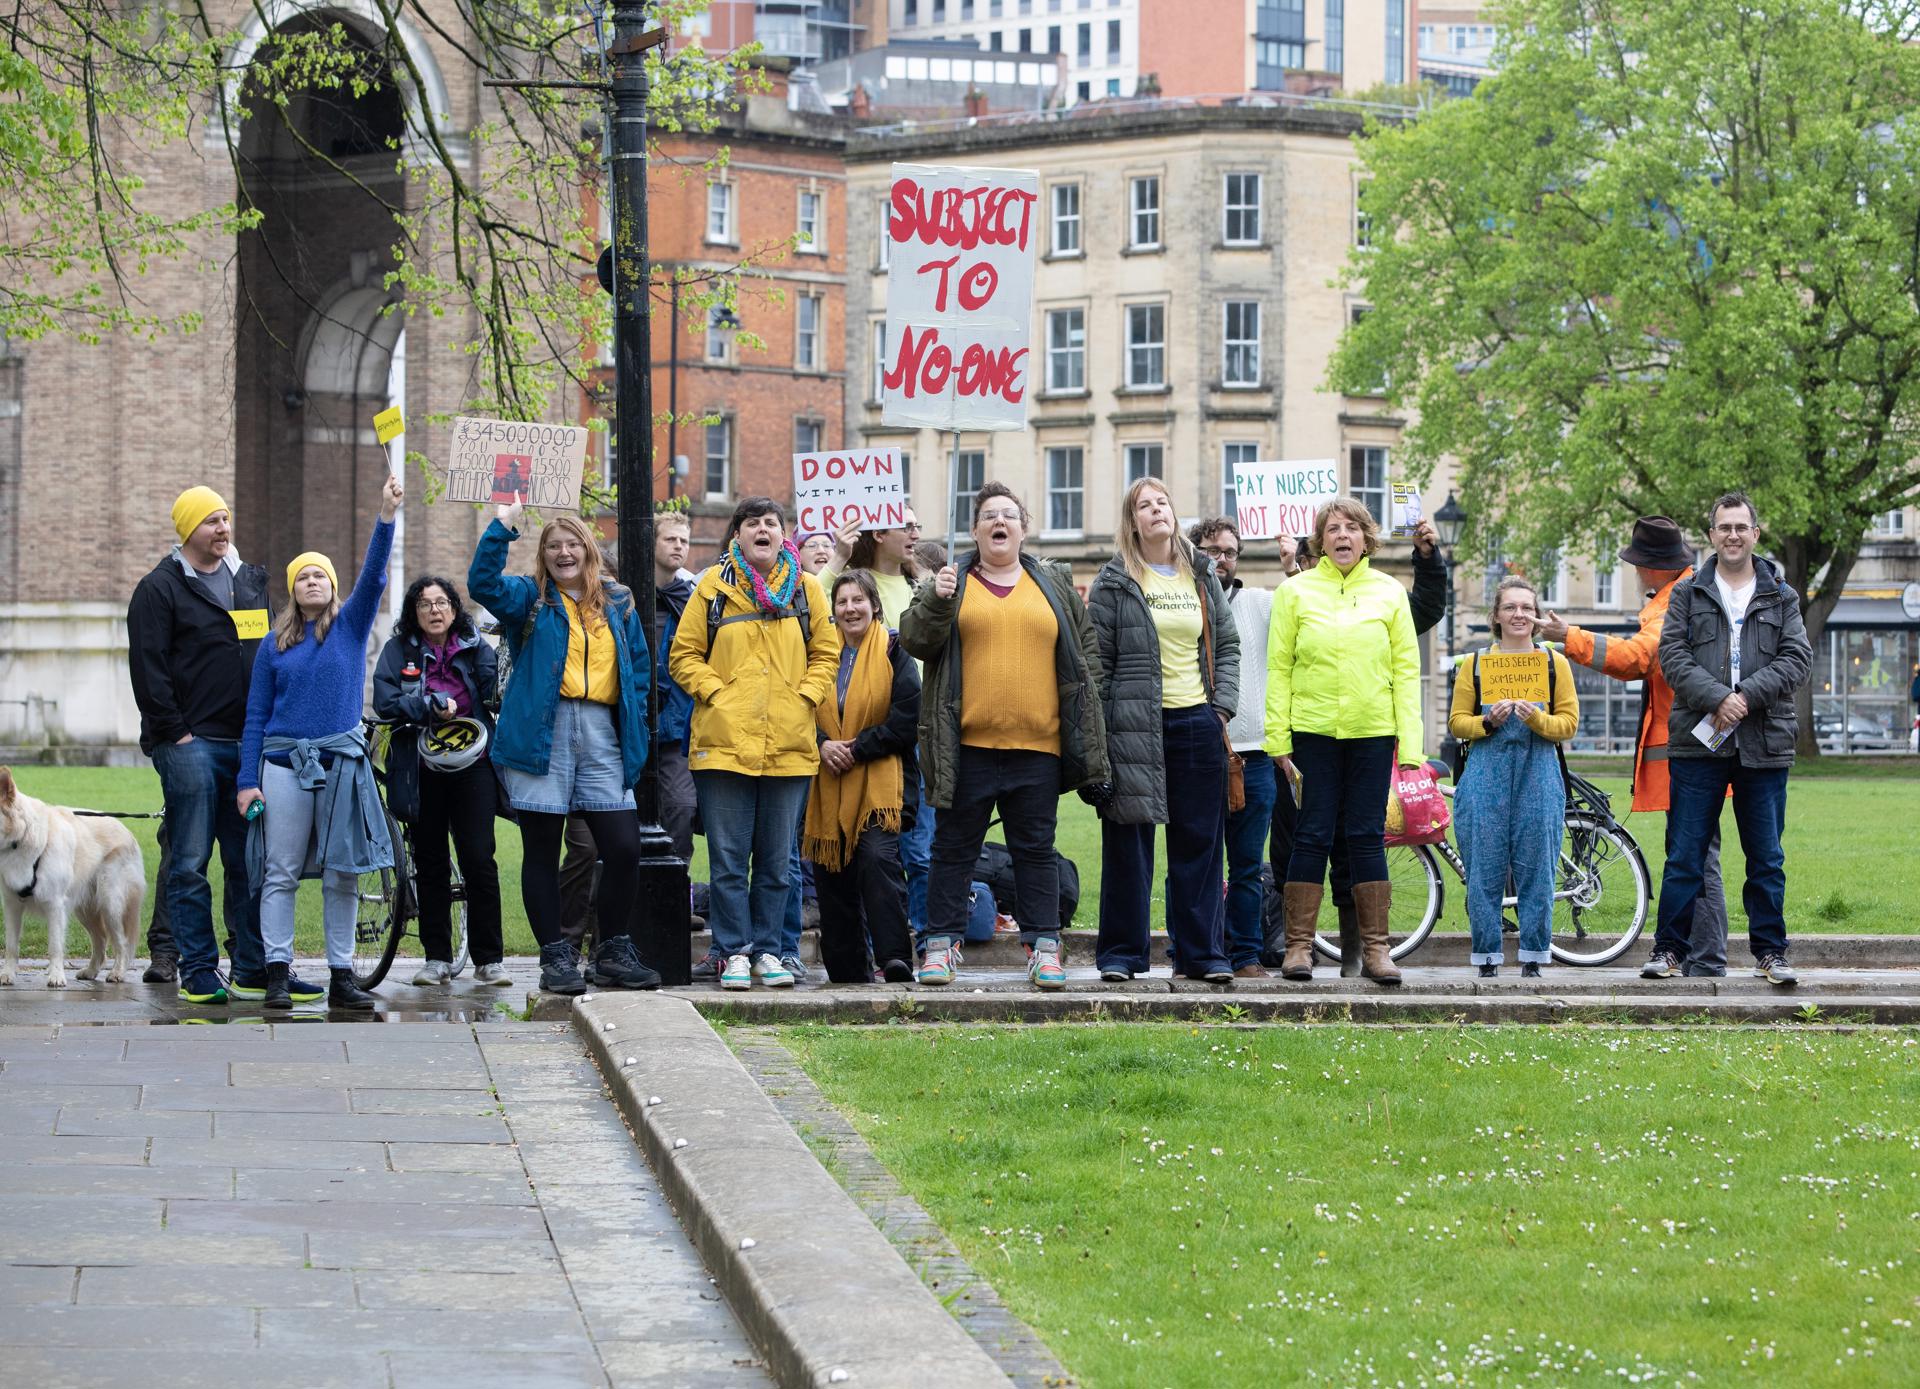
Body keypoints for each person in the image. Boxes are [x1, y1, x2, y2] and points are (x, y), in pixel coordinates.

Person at [898, 482, 1110, 990]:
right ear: (974, 531)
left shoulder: (1053, 582)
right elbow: (915, 640)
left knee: (1036, 850)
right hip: (966, 746)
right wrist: (935, 599)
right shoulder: (953, 582)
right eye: (989, 515)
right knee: (953, 849)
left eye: (1009, 515)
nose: (999, 522)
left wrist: (1088, 706)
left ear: (1023, 527)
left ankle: (1043, 948)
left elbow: (1086, 654)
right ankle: (940, 946)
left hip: (1038, 747)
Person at [469, 497, 661, 997]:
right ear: (544, 555)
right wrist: (501, 525)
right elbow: (482, 585)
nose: (563, 552)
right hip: (543, 733)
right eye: (553, 546)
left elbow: (638, 669)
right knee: (541, 848)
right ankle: (556, 958)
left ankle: (613, 950)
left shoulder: (617, 601)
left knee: (623, 845)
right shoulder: (528, 597)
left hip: (601, 730)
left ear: (588, 549)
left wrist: (634, 719)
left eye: (572, 543)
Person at [1535, 515, 1731, 976]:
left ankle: (1704, 960)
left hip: (1688, 752)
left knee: (1695, 856)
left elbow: (1637, 658)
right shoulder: (1681, 593)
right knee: (1693, 853)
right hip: (1690, 748)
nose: (1634, 571)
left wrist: (1571, 638)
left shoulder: (1676, 603)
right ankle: (1694, 955)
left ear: (1652, 566)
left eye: (1637, 563)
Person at [237, 476, 403, 1011]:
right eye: (303, 576)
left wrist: (385, 514)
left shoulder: (351, 629)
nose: (312, 581)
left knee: (343, 874)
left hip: (341, 766)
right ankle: (279, 972)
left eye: (321, 575)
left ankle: (341, 976)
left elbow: (375, 574)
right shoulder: (272, 645)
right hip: (283, 768)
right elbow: (257, 716)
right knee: (279, 872)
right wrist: (246, 781)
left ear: (333, 587)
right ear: (293, 588)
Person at [670, 498, 839, 990]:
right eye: (752, 523)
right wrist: (718, 695)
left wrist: (804, 696)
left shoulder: (807, 589)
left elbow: (826, 652)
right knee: (727, 858)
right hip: (723, 745)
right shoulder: (712, 588)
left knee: (775, 860)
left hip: (789, 743)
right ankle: (732, 952)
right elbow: (683, 655)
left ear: (783, 535)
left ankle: (769, 950)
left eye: (771, 523)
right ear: (737, 536)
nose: (762, 529)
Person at [1265, 516, 1446, 975]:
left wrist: (1411, 747)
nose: (1342, 535)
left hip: (1373, 733)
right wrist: (1278, 739)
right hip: (1312, 733)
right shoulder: (1294, 593)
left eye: (1352, 528)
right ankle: (1299, 948)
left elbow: (1407, 670)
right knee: (1311, 834)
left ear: (1367, 539)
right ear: (1319, 542)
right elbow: (1279, 668)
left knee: (1367, 837)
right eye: (1332, 529)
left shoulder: (1388, 592)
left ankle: (1376, 951)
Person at [1650, 492, 1811, 986]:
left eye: (1742, 527)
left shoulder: (1781, 595)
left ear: (1755, 534)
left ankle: (1770, 952)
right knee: (1684, 855)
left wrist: (1745, 697)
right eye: (1725, 527)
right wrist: (1720, 698)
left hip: (1763, 743)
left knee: (1766, 857)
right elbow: (1672, 657)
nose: (1733, 535)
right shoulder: (1687, 593)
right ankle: (1668, 952)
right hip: (1700, 745)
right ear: (1712, 535)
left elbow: (1797, 659)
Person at [127, 486, 278, 1002]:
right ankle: (196, 969)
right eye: (212, 521)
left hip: (246, 744)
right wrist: (176, 732)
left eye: (225, 519)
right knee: (190, 860)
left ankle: (251, 966)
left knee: (246, 859)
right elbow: (148, 670)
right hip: (189, 744)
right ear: (188, 529)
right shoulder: (160, 588)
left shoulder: (249, 581)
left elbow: (269, 649)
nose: (223, 528)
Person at [1089, 480, 1239, 983]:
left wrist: (1220, 709)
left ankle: (1202, 956)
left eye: (1162, 502)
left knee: (1199, 845)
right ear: (1133, 522)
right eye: (1144, 505)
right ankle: (1121, 956)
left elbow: (1228, 645)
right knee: (1129, 845)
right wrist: (1104, 732)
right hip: (1132, 727)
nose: (1156, 511)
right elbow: (1096, 665)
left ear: (1174, 513)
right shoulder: (1114, 581)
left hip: (1196, 722)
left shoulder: (1201, 574)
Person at [371, 575, 509, 988]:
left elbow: (493, 694)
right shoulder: (397, 652)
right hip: (419, 769)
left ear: (454, 608)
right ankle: (436, 959)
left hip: (474, 765)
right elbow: (385, 701)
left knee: (478, 858)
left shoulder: (474, 647)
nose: (434, 610)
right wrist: (427, 705)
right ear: (414, 613)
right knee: (429, 862)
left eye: (442, 602)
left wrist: (504, 666)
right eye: (425, 604)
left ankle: (490, 960)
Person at [1448, 576, 1579, 977]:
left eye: (1526, 607)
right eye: (1510, 607)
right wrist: (1486, 722)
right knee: (1484, 867)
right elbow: (1456, 723)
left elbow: (1569, 724)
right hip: (1485, 773)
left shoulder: (1555, 664)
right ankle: (1486, 956)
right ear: (1497, 616)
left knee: (1537, 867)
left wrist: (1537, 718)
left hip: (1538, 773)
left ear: (1537, 615)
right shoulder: (1474, 665)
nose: (1519, 614)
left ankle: (1534, 956)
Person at [823, 509, 936, 938]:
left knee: (915, 849)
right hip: (838, 753)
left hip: (906, 737)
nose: (914, 532)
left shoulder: (920, 586)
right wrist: (837, 556)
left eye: (916, 524)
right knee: (855, 855)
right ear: (879, 532)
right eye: (904, 524)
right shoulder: (850, 581)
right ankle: (866, 948)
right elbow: (814, 605)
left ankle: (922, 941)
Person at [805, 570, 920, 983]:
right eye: (841, 602)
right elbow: (799, 707)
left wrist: (855, 747)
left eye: (858, 600)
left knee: (875, 859)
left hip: (881, 781)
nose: (850, 608)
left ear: (874, 605)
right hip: (827, 781)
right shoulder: (819, 655)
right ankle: (848, 970)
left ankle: (894, 958)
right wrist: (822, 744)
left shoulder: (894, 651)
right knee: (831, 869)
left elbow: (906, 718)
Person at [1192, 518, 1273, 977]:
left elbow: (1308, 611)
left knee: (1245, 865)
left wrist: (1291, 565)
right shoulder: (1183, 602)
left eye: (1230, 551)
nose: (1222, 559)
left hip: (1253, 754)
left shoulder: (1261, 603)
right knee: (1197, 860)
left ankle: (1245, 954)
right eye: (1212, 550)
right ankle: (1191, 951)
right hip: (1196, 749)